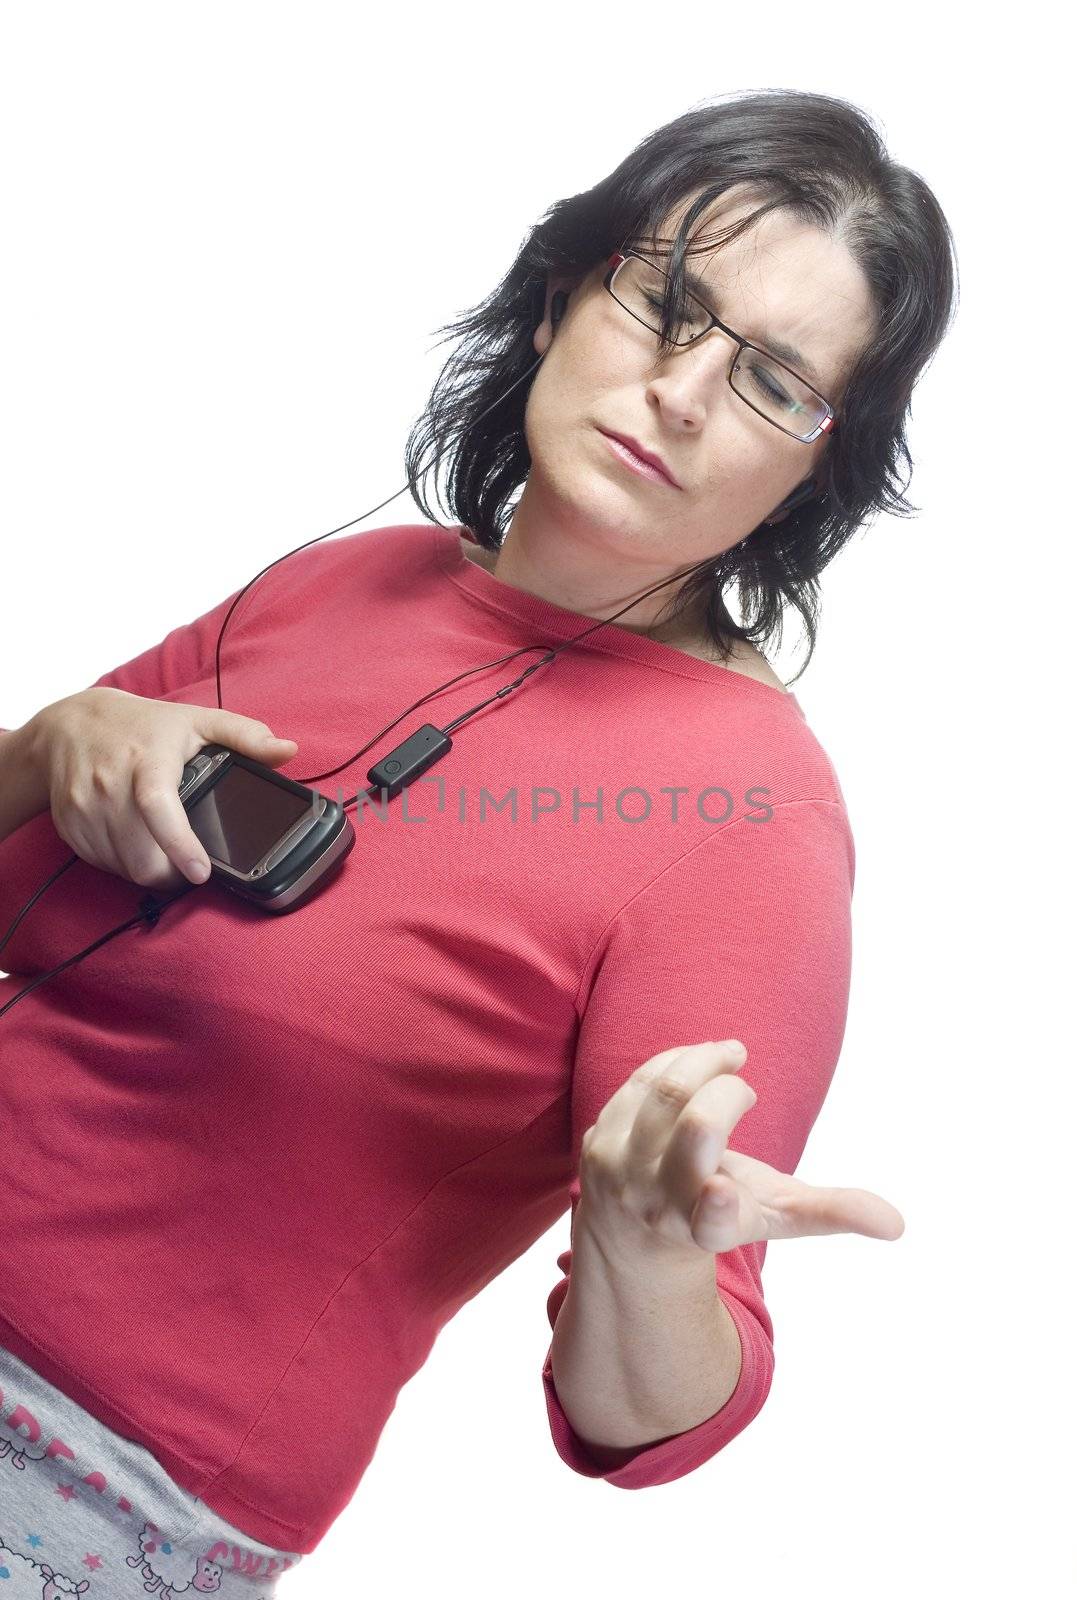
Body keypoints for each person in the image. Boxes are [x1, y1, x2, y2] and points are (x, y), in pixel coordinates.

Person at [0, 87, 958, 1584]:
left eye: (773, 380)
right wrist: (49, 747)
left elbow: (648, 1421)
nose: (685, 394)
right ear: (557, 298)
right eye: (665, 308)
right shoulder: (346, 581)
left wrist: (651, 1258)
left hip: (75, 1482)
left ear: (817, 471)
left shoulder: (750, 819)